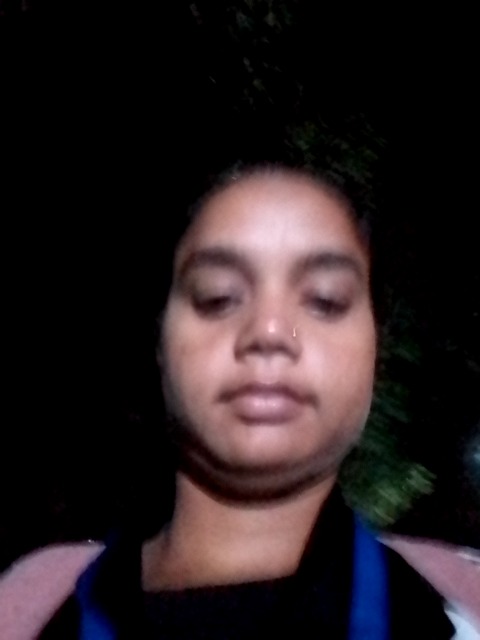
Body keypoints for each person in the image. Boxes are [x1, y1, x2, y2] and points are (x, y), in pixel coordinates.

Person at [0, 164, 456, 638]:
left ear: (378, 347)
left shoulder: (455, 612)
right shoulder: (31, 610)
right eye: (217, 298)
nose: (270, 332)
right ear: (159, 339)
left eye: (325, 300)